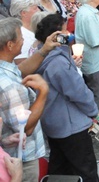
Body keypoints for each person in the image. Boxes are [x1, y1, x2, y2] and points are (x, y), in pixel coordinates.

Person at [35, 14, 99, 182]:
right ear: (56, 36)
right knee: (86, 170)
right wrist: (93, 111)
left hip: (55, 124)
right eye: (65, 29)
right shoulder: (58, 64)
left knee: (59, 168)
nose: (69, 32)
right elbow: (78, 92)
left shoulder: (42, 56)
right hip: (71, 126)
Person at [0, 19, 49, 182]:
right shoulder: (9, 87)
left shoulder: (5, 67)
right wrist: (43, 92)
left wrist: (45, 50)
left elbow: (18, 72)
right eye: (20, 37)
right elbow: (26, 127)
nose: (23, 41)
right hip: (21, 160)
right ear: (10, 45)